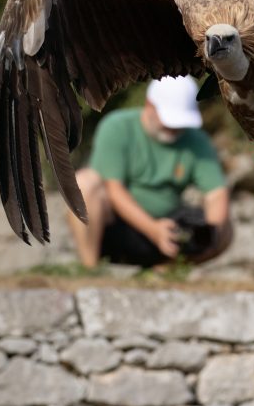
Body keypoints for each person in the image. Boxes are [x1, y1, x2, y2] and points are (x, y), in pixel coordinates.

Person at [66, 75, 233, 268]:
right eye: (169, 120)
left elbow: (216, 194)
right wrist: (153, 229)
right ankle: (90, 269)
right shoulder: (117, 127)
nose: (174, 128)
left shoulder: (197, 141)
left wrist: (210, 233)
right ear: (149, 105)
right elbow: (114, 189)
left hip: (169, 230)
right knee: (85, 183)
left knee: (225, 228)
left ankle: (165, 272)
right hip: (117, 230)